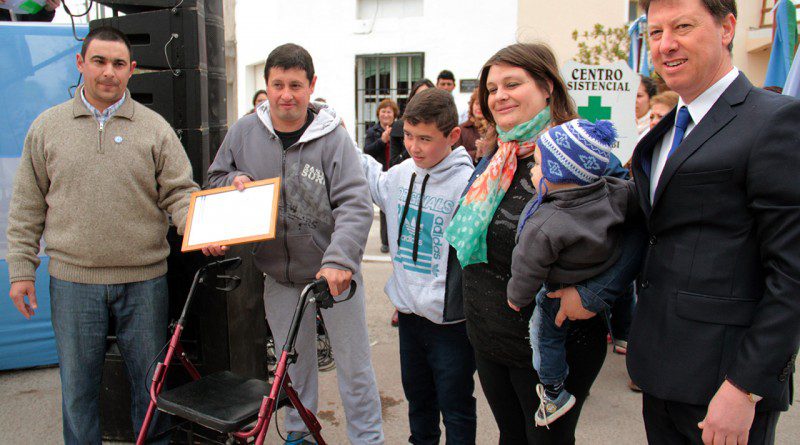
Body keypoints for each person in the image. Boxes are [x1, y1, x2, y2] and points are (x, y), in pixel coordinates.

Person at [581, 0, 800, 443]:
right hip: (659, 372)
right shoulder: (662, 133)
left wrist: (745, 387)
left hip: (725, 384)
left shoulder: (774, 120)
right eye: (656, 32)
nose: (666, 44)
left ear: (727, 28)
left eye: (682, 27)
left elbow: (792, 272)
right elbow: (651, 235)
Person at [5, 26, 197, 444]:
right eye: (99, 61)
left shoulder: (155, 129)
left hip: (144, 281)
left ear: (132, 69)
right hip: (73, 282)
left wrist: (199, 229)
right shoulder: (47, 127)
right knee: (78, 392)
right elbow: (26, 206)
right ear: (81, 63)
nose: (109, 71)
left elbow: (181, 193)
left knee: (150, 389)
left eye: (118, 63)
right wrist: (21, 270)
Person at [444, 43, 630, 444]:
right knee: (511, 436)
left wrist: (594, 293)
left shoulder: (579, 154)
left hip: (552, 346)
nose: (499, 96)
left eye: (512, 84)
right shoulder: (499, 154)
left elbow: (637, 235)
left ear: (547, 87)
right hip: (489, 336)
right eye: (491, 89)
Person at [204, 43, 384, 445]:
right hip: (279, 278)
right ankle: (299, 436)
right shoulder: (244, 132)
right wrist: (233, 181)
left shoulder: (334, 138)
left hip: (334, 279)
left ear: (311, 85)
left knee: (355, 369)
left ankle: (367, 439)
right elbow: (215, 178)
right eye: (278, 85)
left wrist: (340, 260)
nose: (286, 95)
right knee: (293, 370)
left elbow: (355, 204)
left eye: (296, 85)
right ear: (266, 85)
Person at [361, 88, 477, 445]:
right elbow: (370, 176)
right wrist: (332, 129)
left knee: (456, 406)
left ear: (452, 135)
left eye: (425, 139)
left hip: (452, 324)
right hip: (409, 317)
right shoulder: (401, 174)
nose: (414, 146)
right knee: (418, 400)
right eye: (409, 135)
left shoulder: (468, 184)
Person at [363, 98, 399, 254]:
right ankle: (385, 242)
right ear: (378, 114)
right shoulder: (373, 131)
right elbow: (367, 150)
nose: (386, 114)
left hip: (395, 171)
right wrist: (382, 141)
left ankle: (396, 239)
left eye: (389, 112)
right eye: (383, 111)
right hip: (381, 172)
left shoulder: (398, 129)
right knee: (385, 208)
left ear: (394, 114)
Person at [389, 78, 434, 167]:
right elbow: (393, 163)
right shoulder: (399, 126)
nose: (422, 101)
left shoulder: (441, 125)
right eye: (418, 96)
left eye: (427, 96)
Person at [455, 88, 490, 164]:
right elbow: (455, 156)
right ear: (471, 105)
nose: (479, 107)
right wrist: (476, 154)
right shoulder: (461, 129)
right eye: (477, 103)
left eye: (483, 104)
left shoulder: (496, 129)